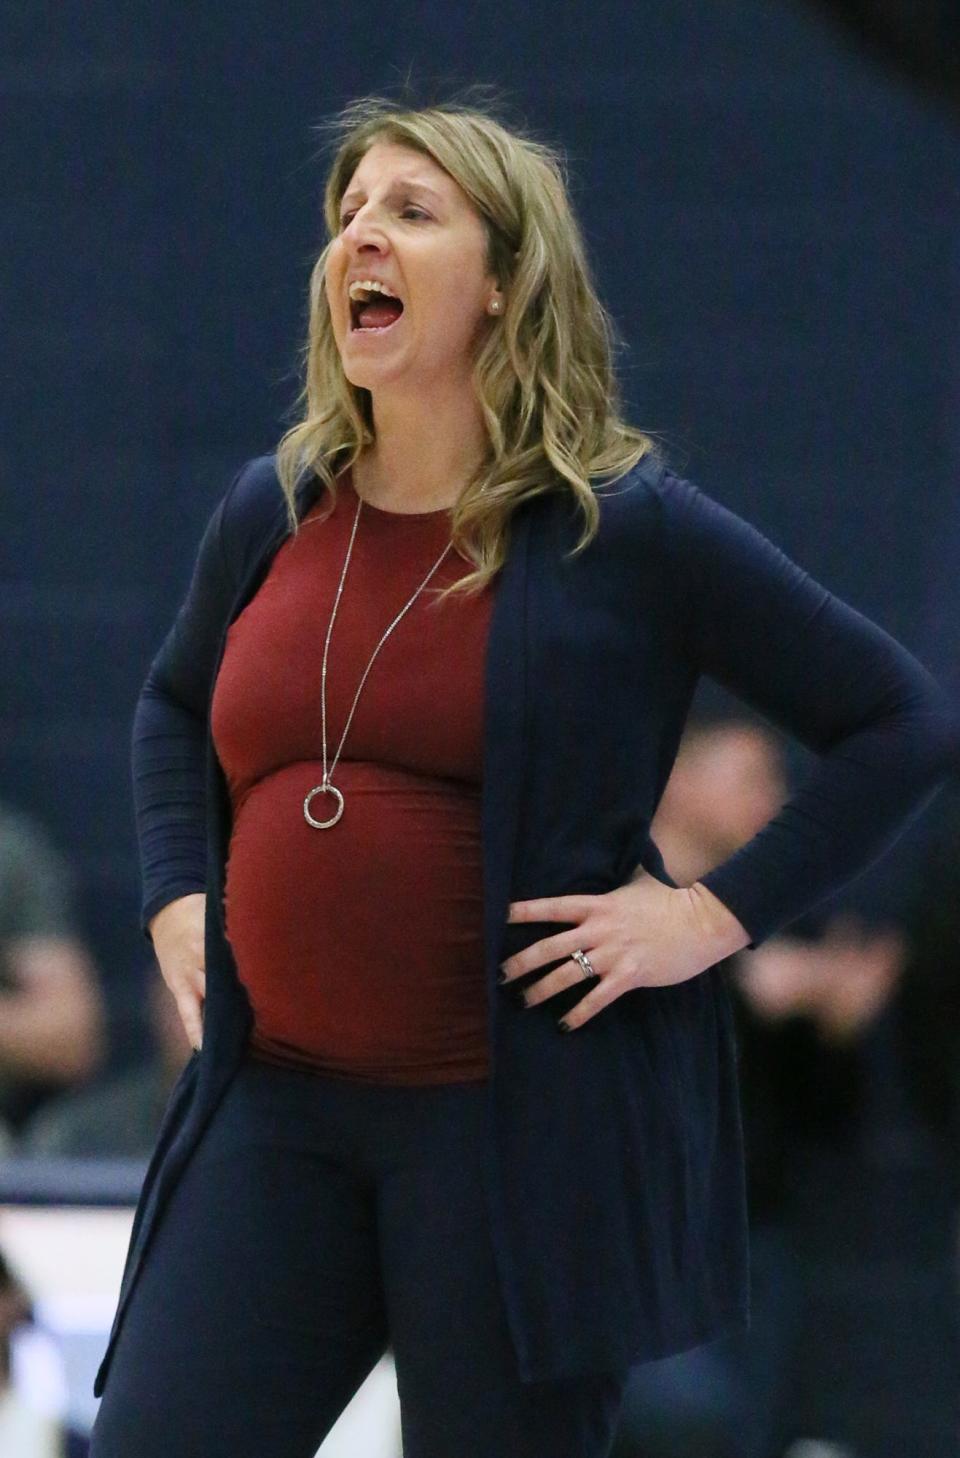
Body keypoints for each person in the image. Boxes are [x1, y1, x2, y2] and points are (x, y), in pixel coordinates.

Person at [88, 91, 960, 1458]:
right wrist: (173, 896)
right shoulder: (276, 504)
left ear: (504, 285)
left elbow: (900, 721)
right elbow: (170, 703)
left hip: (508, 1143)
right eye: (348, 213)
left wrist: (711, 918)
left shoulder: (629, 526)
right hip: (277, 1108)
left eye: (411, 212)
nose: (359, 234)